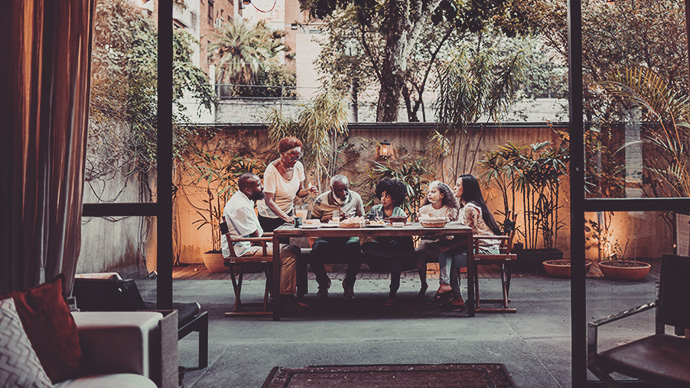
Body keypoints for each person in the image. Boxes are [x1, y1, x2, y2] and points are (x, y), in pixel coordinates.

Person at [221, 173, 308, 311]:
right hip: (242, 250)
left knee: (290, 249)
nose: (262, 187)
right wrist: (272, 243)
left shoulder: (242, 199)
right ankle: (285, 298)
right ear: (248, 190)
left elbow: (254, 235)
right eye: (259, 185)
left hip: (243, 244)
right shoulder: (241, 206)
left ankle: (277, 293)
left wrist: (273, 243)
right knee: (289, 253)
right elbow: (256, 239)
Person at [438, 174, 503, 309]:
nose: (454, 188)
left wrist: (450, 246)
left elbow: (470, 236)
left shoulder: (469, 208)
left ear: (466, 189)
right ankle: (451, 291)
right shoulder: (467, 206)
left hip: (485, 250)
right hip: (482, 246)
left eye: (458, 185)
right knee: (446, 252)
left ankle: (455, 295)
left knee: (449, 255)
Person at [309, 175, 365, 299]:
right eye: (340, 190)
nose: (344, 193)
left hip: (348, 237)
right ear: (332, 188)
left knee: (356, 250)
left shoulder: (355, 197)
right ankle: (323, 283)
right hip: (326, 238)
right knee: (314, 254)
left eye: (346, 189)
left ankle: (349, 283)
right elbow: (313, 223)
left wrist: (351, 220)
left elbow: (362, 220)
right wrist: (326, 222)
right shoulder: (320, 200)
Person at [361, 178, 414, 306]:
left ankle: (392, 294)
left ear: (394, 198)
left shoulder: (399, 212)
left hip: (395, 243)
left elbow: (404, 234)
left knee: (396, 257)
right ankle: (392, 255)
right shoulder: (375, 209)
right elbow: (368, 225)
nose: (383, 199)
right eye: (382, 196)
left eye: (387, 196)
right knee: (365, 246)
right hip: (381, 245)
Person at [257, 137, 318, 234]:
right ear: (282, 154)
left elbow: (299, 192)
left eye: (298, 157)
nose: (295, 161)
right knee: (273, 246)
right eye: (292, 158)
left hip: (287, 211)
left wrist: (307, 191)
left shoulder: (298, 166)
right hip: (270, 216)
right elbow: (269, 201)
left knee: (285, 245)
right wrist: (287, 218)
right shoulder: (271, 171)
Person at [414, 181, 461, 302]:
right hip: (429, 241)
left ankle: (449, 287)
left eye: (433, 192)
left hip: (445, 241)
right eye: (428, 192)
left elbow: (454, 229)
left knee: (447, 251)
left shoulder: (450, 210)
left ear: (442, 195)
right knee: (420, 251)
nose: (429, 194)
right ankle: (424, 284)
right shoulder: (424, 210)